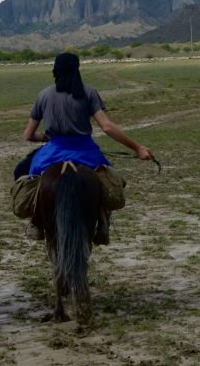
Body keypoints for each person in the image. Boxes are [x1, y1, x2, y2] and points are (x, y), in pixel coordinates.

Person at [11, 52, 154, 244]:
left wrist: (46, 137)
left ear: (55, 70)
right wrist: (137, 148)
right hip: (86, 151)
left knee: (25, 174)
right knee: (112, 180)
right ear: (77, 69)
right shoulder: (88, 92)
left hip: (53, 150)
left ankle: (36, 222)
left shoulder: (44, 95)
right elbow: (107, 126)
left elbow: (28, 135)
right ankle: (103, 220)